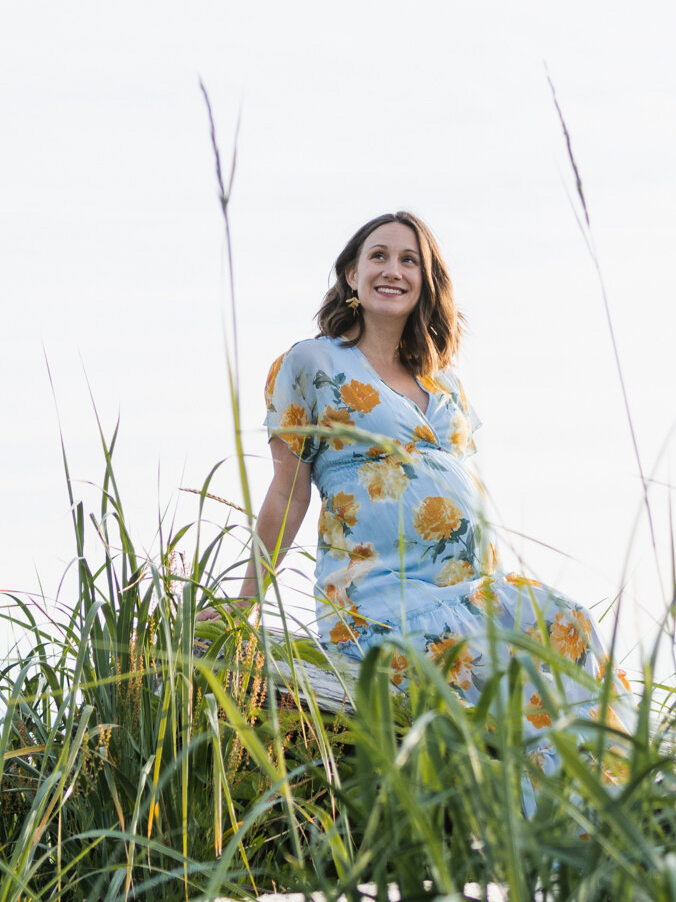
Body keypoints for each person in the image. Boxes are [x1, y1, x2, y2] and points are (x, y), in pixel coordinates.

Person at [234, 210, 603, 718]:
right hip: (382, 601)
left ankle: (600, 790)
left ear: (425, 281)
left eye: (409, 260)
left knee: (571, 624)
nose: (393, 270)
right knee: (511, 685)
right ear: (351, 275)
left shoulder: (444, 381)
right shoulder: (312, 364)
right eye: (378, 256)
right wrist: (243, 604)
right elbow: (286, 492)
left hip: (469, 591)